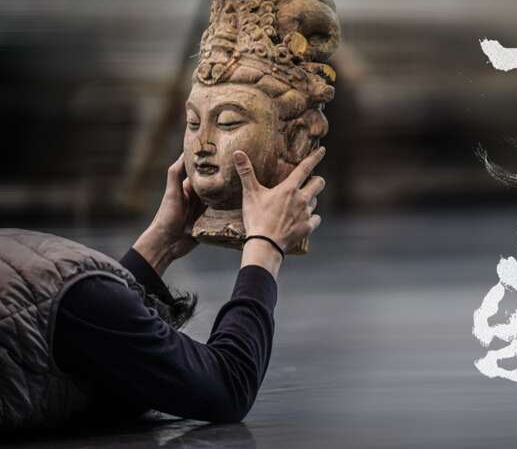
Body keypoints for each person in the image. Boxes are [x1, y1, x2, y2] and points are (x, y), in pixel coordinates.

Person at [0, 146, 326, 431]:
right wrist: (266, 246)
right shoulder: (76, 297)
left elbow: (86, 323)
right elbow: (228, 386)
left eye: (227, 122)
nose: (205, 143)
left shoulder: (69, 295)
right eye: (194, 123)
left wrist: (160, 243)